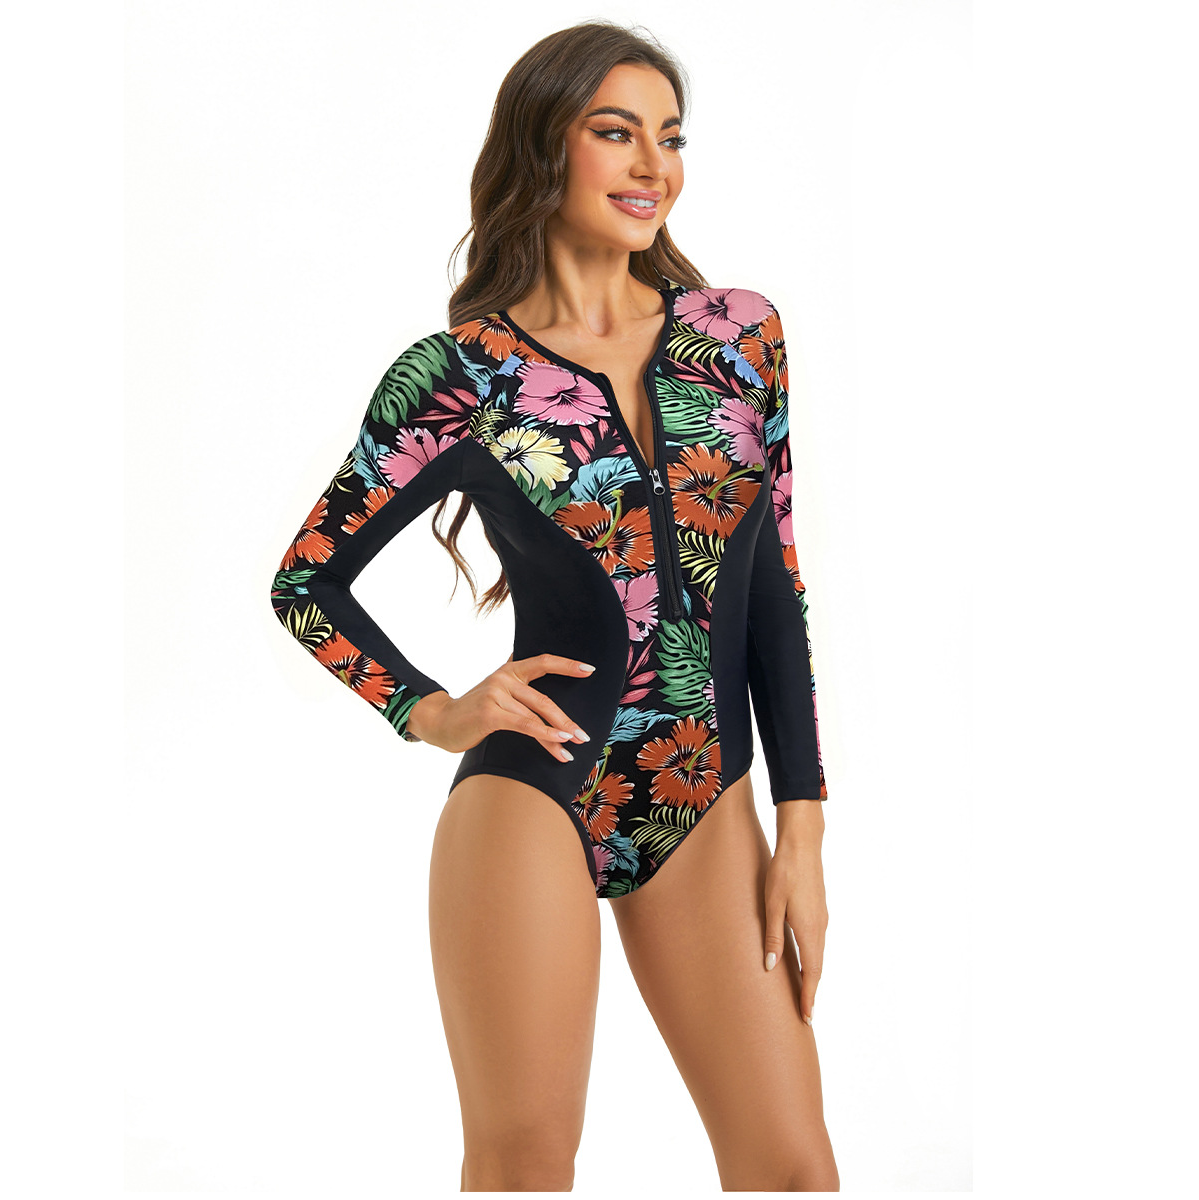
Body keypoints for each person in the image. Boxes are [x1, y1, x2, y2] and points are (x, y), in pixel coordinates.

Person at [270, 20, 838, 1193]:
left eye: (671, 138)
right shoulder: (460, 377)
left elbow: (774, 582)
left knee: (791, 1168)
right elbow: (306, 581)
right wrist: (433, 711)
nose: (653, 166)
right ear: (546, 144)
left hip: (704, 796)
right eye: (616, 133)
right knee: (525, 1161)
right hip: (535, 793)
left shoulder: (741, 338)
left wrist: (803, 823)